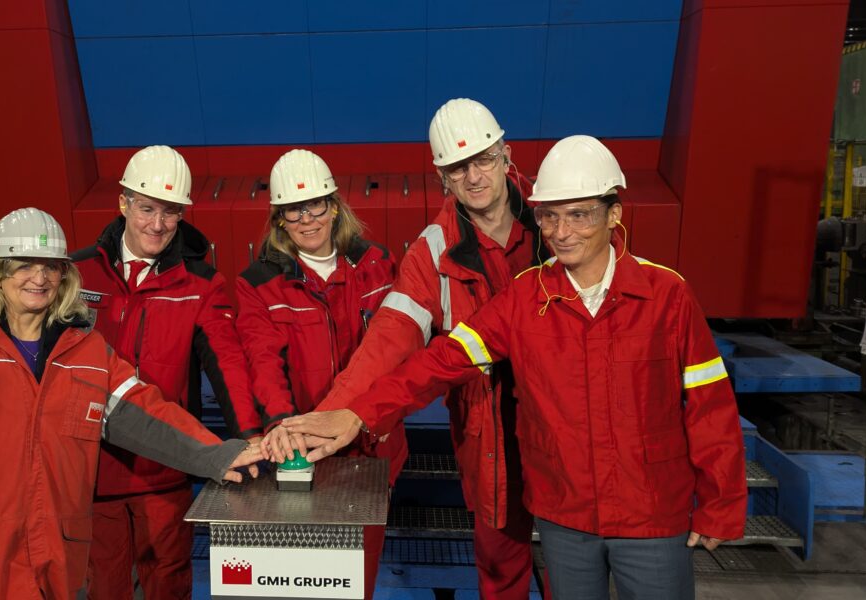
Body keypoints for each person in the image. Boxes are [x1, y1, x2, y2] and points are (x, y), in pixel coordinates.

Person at [287, 135, 748, 599]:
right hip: (566, 519)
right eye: (550, 216)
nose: (562, 232)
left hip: (653, 515)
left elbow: (709, 408)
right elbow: (438, 364)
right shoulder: (525, 299)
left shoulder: (666, 295)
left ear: (614, 214)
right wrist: (358, 414)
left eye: (579, 215)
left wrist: (721, 505)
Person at [0, 208, 263, 600]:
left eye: (52, 267)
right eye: (24, 265)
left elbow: (142, 411)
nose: (39, 278)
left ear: (66, 274)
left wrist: (218, 456)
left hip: (57, 556)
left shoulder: (84, 347)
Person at [272, 99, 548, 598]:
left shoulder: (558, 220)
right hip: (490, 437)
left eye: (484, 159)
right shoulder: (431, 251)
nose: (474, 177)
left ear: (506, 154)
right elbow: (387, 345)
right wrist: (334, 416)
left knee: (575, 566)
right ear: (442, 176)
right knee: (503, 568)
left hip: (565, 429)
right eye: (457, 168)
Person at [70, 145, 260, 600]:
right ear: (123, 203)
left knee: (168, 583)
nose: (157, 225)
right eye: (146, 208)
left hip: (164, 470)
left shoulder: (200, 284)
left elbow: (227, 363)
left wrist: (249, 436)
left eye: (171, 212)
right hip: (92, 467)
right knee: (104, 586)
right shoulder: (76, 275)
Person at [240, 149, 400, 599]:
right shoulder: (258, 284)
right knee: (308, 575)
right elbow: (263, 361)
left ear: (335, 206)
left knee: (359, 574)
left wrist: (369, 418)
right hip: (303, 452)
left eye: (317, 205)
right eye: (294, 209)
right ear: (279, 220)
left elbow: (393, 352)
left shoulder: (377, 265)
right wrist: (286, 427)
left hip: (372, 443)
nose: (307, 218)